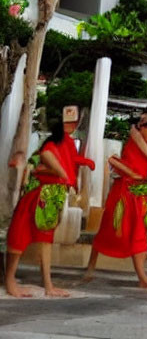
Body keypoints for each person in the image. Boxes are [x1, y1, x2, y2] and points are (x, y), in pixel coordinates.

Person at [4, 110, 93, 299]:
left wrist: (84, 163)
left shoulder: (67, 143)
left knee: (46, 239)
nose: (74, 126)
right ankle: (10, 280)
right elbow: (46, 158)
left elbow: (65, 164)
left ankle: (48, 285)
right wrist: (56, 173)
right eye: (71, 123)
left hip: (53, 196)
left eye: (75, 123)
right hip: (38, 196)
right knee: (20, 235)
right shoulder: (51, 145)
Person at [83, 111, 147, 292]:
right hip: (124, 192)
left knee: (138, 232)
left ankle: (142, 277)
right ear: (143, 127)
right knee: (109, 230)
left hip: (140, 193)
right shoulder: (136, 136)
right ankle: (92, 266)